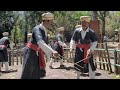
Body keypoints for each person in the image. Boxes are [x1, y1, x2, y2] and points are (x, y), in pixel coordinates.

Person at [21, 12, 58, 79]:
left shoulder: (44, 30)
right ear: (47, 21)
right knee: (28, 72)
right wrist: (52, 52)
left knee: (36, 72)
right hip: (30, 52)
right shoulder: (37, 28)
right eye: (51, 22)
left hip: (36, 53)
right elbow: (40, 42)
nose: (51, 23)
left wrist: (52, 51)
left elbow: (46, 43)